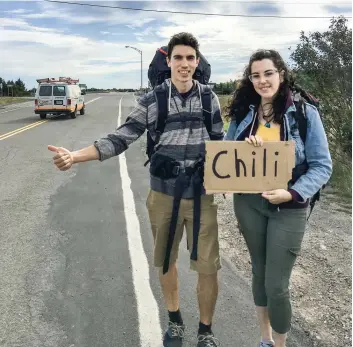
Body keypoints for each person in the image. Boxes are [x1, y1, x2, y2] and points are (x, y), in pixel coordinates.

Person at [48, 32, 223, 347]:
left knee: (208, 267)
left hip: (201, 196)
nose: (184, 64)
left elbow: (222, 144)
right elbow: (121, 137)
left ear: (197, 62)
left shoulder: (209, 98)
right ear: (168, 61)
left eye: (190, 58)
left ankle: (205, 331)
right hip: (162, 195)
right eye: (178, 57)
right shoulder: (153, 100)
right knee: (166, 261)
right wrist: (75, 156)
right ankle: (175, 321)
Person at [224, 49, 332, 347]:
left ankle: (282, 344)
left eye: (268, 73)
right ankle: (265, 339)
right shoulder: (245, 111)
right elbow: (227, 150)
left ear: (281, 74)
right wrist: (243, 148)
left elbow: (323, 166)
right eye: (256, 75)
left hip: (289, 207)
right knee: (258, 272)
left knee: (277, 283)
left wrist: (292, 192)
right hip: (248, 203)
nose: (262, 81)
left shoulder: (304, 112)